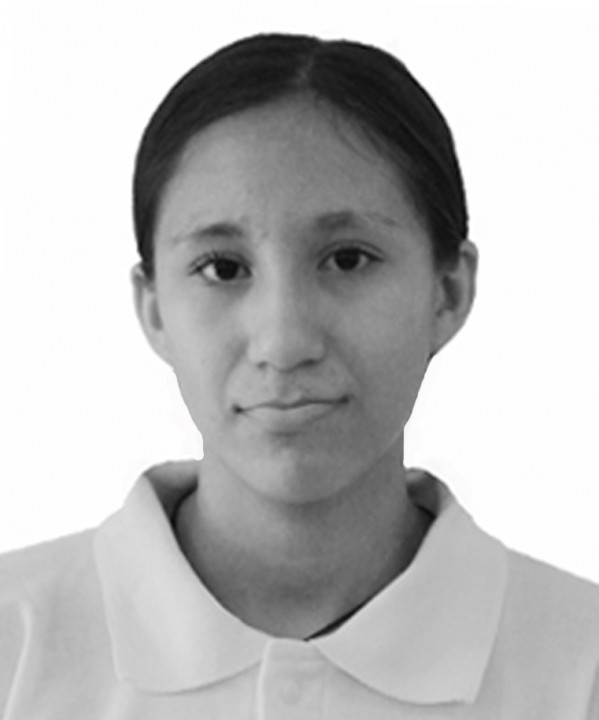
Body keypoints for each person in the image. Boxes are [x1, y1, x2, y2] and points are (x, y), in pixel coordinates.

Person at [1, 32, 597, 719]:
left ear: (448, 292)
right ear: (154, 307)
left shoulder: (580, 668)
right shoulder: (14, 645)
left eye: (348, 259)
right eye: (223, 268)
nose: (283, 343)